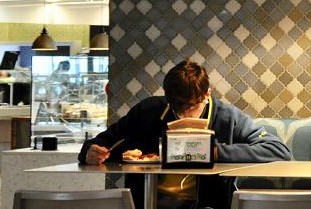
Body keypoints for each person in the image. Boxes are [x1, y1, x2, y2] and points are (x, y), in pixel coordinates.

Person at [78, 60, 291, 208]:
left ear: (207, 94)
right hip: (149, 202)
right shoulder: (149, 110)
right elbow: (101, 142)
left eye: (191, 106)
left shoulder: (228, 117)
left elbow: (278, 150)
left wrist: (215, 152)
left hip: (208, 204)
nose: (183, 113)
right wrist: (89, 151)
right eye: (177, 106)